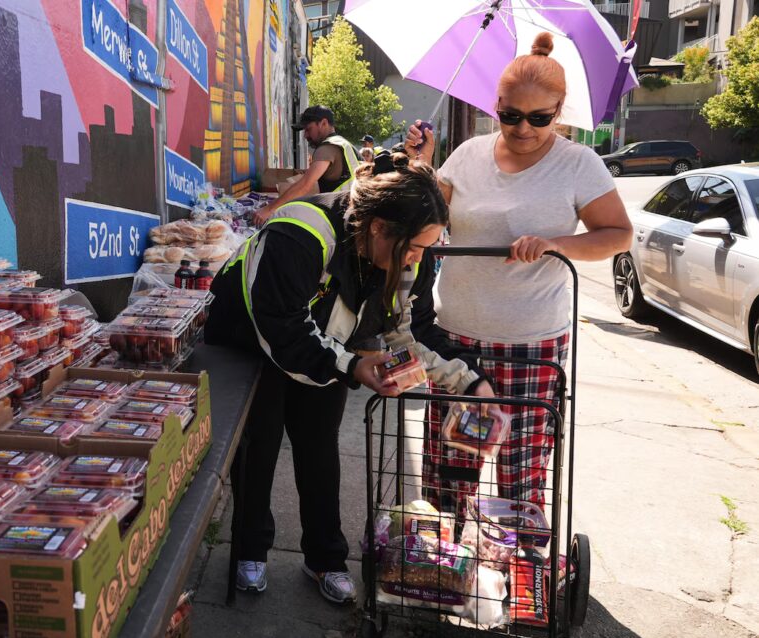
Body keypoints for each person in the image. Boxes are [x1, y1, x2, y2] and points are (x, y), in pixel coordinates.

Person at [206, 155, 495, 604]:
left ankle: (325, 558)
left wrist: (472, 382)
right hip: (250, 342)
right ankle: (249, 549)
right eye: (414, 247)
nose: (418, 259)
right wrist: (351, 365)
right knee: (258, 446)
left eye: (426, 248)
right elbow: (281, 326)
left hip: (330, 347)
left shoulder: (409, 257)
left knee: (319, 447)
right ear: (379, 227)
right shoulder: (300, 232)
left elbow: (413, 331)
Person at [403, 32, 632, 513]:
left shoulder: (578, 164)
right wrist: (420, 165)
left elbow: (617, 234)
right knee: (450, 470)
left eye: (539, 118)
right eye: (511, 115)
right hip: (454, 340)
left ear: (559, 110)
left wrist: (554, 244)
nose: (523, 128)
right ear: (497, 104)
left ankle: (520, 567)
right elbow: (430, 218)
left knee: (520, 474)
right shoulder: (467, 154)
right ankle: (445, 568)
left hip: (531, 343)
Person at [252, 106, 360, 226]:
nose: (305, 136)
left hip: (342, 219)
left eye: (309, 129)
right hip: (352, 216)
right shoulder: (344, 144)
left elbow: (305, 185)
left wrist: (269, 209)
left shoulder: (327, 147)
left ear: (323, 123)